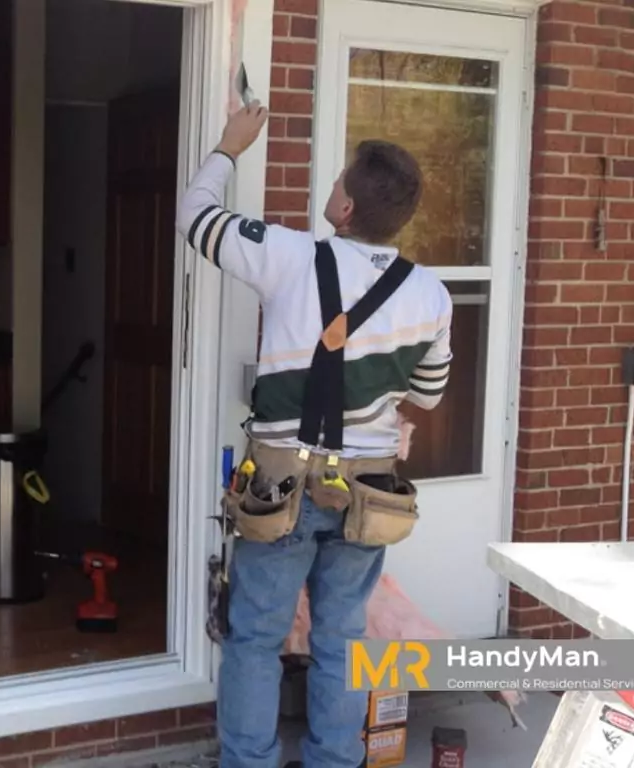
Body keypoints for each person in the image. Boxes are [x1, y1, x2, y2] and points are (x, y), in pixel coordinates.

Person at [177, 100, 453, 768]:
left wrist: (228, 147)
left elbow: (195, 219)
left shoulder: (289, 256)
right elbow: (427, 394)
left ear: (347, 210)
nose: (330, 189)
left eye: (338, 182)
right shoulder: (431, 295)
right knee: (341, 639)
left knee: (254, 640)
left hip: (282, 487)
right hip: (368, 493)